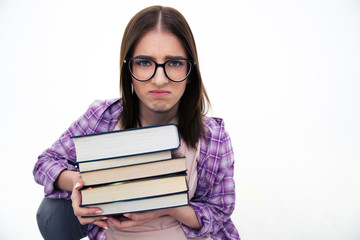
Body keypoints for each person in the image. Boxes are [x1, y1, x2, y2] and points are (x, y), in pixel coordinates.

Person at [34, 5, 240, 240]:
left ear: (190, 69)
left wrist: (165, 203)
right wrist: (84, 184)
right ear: (128, 68)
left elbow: (218, 212)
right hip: (115, 234)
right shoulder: (104, 116)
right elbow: (45, 163)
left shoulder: (213, 135)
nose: (160, 80)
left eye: (174, 63)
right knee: (50, 211)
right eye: (144, 62)